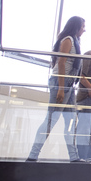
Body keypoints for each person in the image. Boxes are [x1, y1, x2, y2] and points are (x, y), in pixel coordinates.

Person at [26, 16, 86, 162]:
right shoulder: (68, 40)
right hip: (61, 83)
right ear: (76, 27)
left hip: (70, 85)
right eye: (83, 26)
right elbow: (61, 62)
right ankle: (32, 156)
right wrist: (60, 88)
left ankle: (74, 157)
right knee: (51, 121)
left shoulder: (76, 41)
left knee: (71, 121)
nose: (84, 29)